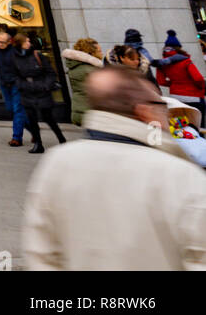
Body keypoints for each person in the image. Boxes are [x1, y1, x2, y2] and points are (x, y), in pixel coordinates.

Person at [22, 68, 206, 270]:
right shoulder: (178, 174)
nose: (166, 115)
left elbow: (41, 253)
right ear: (144, 112)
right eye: (162, 106)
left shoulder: (57, 162)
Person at [11, 32, 67, 154]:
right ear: (20, 44)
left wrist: (46, 86)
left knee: (49, 118)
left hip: (42, 91)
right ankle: (38, 144)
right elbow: (15, 76)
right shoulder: (15, 58)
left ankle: (62, 139)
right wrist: (22, 85)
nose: (29, 43)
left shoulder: (37, 55)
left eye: (29, 41)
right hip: (27, 92)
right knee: (32, 119)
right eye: (26, 41)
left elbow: (50, 72)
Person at [0, 28, 27, 147]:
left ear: (9, 42)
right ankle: (34, 129)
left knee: (17, 109)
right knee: (11, 108)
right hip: (4, 83)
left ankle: (16, 138)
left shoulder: (15, 51)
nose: (0, 44)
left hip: (15, 83)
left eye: (2, 42)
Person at [157, 31, 206, 117]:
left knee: (181, 123)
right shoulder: (185, 61)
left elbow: (161, 81)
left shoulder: (162, 63)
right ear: (179, 48)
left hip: (176, 97)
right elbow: (198, 78)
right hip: (194, 97)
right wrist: (202, 88)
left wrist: (174, 84)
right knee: (198, 125)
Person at [61, 38, 104, 126]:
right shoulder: (90, 70)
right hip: (91, 113)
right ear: (91, 53)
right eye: (99, 50)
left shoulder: (78, 67)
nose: (102, 53)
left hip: (81, 110)